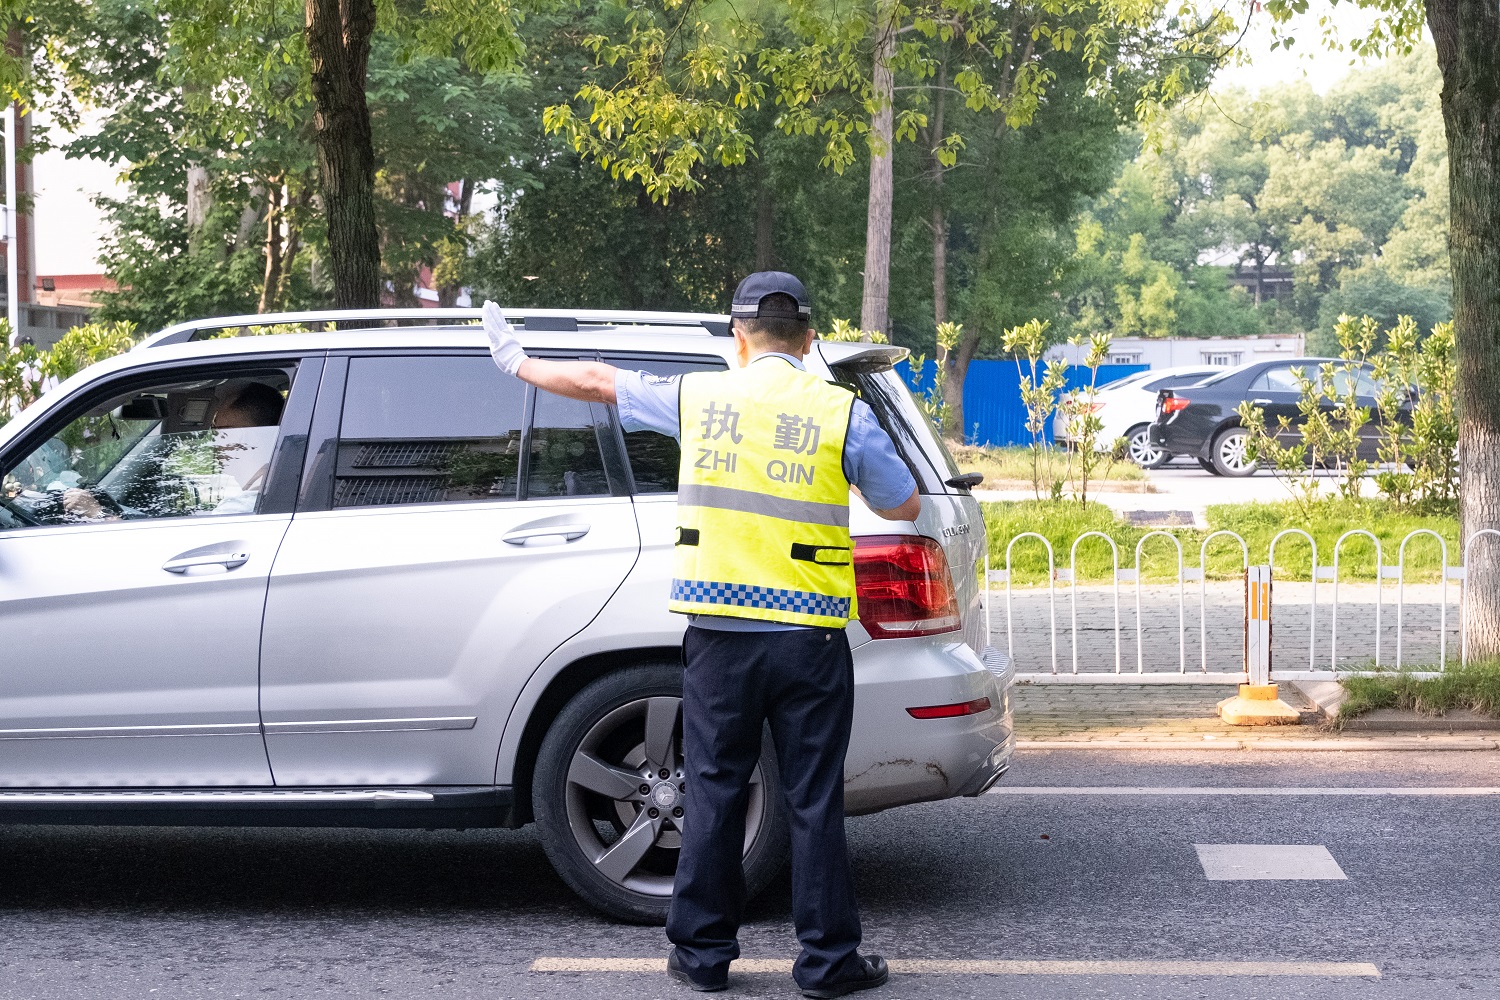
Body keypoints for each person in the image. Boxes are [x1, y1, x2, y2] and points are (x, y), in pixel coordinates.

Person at [481, 272, 919, 998]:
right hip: (809, 638)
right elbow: (901, 504)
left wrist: (517, 363)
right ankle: (827, 963)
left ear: (736, 337)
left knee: (713, 789)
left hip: (720, 636)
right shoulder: (838, 411)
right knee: (813, 798)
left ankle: (703, 956)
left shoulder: (700, 398)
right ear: (809, 340)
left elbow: (598, 380)